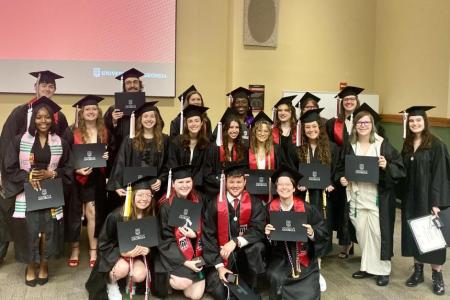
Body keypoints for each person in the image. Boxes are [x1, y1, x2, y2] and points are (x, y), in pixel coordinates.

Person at [2, 97, 72, 286]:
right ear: (33, 119)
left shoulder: (61, 143)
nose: (43, 121)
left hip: (50, 193)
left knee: (47, 232)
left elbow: (68, 169)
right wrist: (28, 177)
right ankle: (31, 266)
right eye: (39, 117)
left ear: (53, 119)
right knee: (30, 231)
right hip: (27, 193)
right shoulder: (19, 140)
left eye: (47, 117)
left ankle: (44, 264)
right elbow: (9, 167)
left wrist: (53, 173)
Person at [337, 108, 405, 286]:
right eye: (359, 123)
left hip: (377, 197)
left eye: (366, 122)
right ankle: (367, 266)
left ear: (372, 125)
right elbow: (340, 167)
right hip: (357, 195)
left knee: (377, 233)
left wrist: (386, 165)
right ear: (354, 126)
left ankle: (383, 270)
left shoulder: (382, 144)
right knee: (362, 233)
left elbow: (398, 168)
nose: (363, 126)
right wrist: (342, 178)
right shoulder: (349, 145)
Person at [398, 106, 450, 295]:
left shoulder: (436, 145)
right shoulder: (407, 144)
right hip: (410, 199)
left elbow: (441, 176)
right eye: (411, 120)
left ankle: (437, 276)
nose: (414, 123)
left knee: (433, 239)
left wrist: (437, 203)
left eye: (418, 120)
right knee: (414, 234)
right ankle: (418, 271)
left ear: (425, 122)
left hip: (429, 200)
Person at [289, 108, 339, 291]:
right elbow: (293, 172)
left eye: (314, 126)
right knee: (304, 229)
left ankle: (317, 268)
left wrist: (332, 183)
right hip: (305, 196)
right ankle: (303, 264)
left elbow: (337, 170)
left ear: (320, 127)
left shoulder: (332, 148)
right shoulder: (299, 150)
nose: (311, 130)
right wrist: (298, 184)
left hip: (324, 198)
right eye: (308, 127)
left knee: (320, 229)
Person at [85, 176, 156, 300]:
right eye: (140, 195)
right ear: (132, 196)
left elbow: (155, 242)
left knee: (140, 275)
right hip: (118, 256)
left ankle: (130, 279)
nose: (144, 199)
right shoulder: (116, 216)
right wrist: (122, 252)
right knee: (123, 268)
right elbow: (104, 243)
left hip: (138, 256)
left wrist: (148, 250)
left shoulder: (151, 216)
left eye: (148, 195)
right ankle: (111, 283)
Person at [202, 163, 266, 299]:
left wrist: (235, 241)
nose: (235, 185)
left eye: (239, 181)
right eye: (231, 182)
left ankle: (251, 283)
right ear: (225, 182)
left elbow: (258, 229)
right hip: (222, 256)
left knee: (257, 247)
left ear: (245, 182)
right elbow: (209, 236)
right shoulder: (214, 205)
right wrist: (219, 267)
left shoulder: (255, 203)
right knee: (219, 290)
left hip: (246, 257)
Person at [265, 164, 329, 300]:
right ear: (276, 188)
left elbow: (323, 231)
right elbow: (261, 239)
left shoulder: (307, 209)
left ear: (294, 188)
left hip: (303, 256)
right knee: (276, 277)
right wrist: (268, 235)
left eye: (288, 184)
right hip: (280, 257)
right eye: (280, 185)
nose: (284, 188)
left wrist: (312, 233)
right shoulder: (269, 209)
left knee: (309, 292)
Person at [64, 95, 112, 269]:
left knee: (93, 212)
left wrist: (107, 156)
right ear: (81, 113)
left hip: (96, 178)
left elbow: (111, 154)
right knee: (75, 214)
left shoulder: (105, 132)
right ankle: (75, 249)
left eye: (94, 109)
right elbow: (65, 156)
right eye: (87, 109)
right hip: (76, 178)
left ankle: (93, 249)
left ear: (98, 112)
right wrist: (76, 169)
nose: (91, 112)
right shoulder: (71, 132)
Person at [325, 85, 363, 258]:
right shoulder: (334, 123)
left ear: (357, 101)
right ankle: (345, 244)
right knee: (342, 209)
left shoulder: (364, 121)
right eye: (346, 99)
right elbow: (329, 146)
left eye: (352, 99)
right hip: (339, 169)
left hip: (358, 168)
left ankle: (355, 243)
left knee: (355, 208)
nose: (349, 102)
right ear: (342, 103)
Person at [158, 165, 206, 300]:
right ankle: (168, 280)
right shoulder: (166, 206)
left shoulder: (199, 199)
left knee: (195, 296)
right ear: (173, 184)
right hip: (174, 255)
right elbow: (165, 239)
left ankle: (187, 277)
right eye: (180, 182)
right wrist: (185, 262)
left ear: (192, 182)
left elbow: (208, 227)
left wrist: (195, 235)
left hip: (196, 251)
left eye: (188, 181)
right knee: (181, 283)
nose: (185, 185)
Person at [107, 101, 169, 201]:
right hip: (134, 187)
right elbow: (121, 162)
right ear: (140, 119)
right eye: (145, 116)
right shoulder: (130, 139)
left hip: (155, 188)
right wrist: (117, 185)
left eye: (152, 116)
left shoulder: (164, 139)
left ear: (156, 119)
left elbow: (168, 163)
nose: (149, 119)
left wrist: (161, 179)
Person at [204, 109, 248, 198]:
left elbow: (245, 170)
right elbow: (207, 173)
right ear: (225, 129)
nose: (234, 130)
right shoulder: (214, 148)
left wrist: (235, 184)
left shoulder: (242, 148)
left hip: (237, 191)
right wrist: (224, 183)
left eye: (237, 127)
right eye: (231, 127)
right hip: (217, 191)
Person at [167, 105, 210, 191]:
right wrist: (183, 182)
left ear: (201, 123)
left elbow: (204, 167)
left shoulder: (206, 144)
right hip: (178, 185)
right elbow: (172, 163)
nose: (194, 124)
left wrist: (193, 183)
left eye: (197, 121)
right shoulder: (177, 142)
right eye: (190, 121)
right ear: (186, 124)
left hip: (198, 186)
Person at [103, 68, 145, 148]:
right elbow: (104, 130)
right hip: (120, 149)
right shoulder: (114, 109)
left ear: (140, 85)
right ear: (124, 86)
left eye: (135, 82)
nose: (132, 85)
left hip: (143, 148)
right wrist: (113, 121)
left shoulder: (148, 108)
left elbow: (159, 126)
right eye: (128, 83)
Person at [272, 95, 298, 168]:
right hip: (276, 171)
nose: (282, 113)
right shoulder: (272, 131)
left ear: (291, 112)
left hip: (295, 171)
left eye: (286, 110)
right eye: (280, 110)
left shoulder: (298, 131)